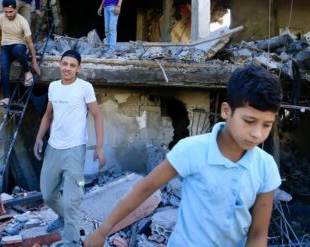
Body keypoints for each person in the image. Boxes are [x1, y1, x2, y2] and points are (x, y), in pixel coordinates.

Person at [84, 65, 282, 247]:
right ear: (226, 111)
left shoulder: (265, 166)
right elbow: (145, 188)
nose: (257, 133)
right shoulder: (192, 150)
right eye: (249, 121)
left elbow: (258, 233)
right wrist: (103, 230)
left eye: (267, 124)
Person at [34, 50, 107, 246]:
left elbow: (97, 116)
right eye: (64, 63)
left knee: (72, 200)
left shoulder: (85, 87)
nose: (67, 68)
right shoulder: (53, 87)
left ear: (79, 68)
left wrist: (99, 147)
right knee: (48, 194)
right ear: (59, 64)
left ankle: (72, 241)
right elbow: (48, 115)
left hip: (75, 149)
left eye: (72, 65)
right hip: (53, 147)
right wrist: (39, 137)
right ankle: (64, 217)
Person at [0, 0, 40, 107]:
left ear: (16, 9)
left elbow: (30, 43)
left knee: (18, 49)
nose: (8, 14)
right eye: (6, 12)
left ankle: (27, 72)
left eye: (10, 12)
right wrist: (1, 51)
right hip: (5, 47)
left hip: (20, 46)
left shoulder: (22, 21)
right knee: (3, 67)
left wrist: (34, 62)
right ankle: (6, 98)